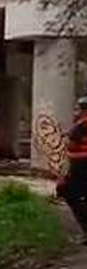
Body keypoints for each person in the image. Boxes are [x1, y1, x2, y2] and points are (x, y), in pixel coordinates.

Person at [58, 97, 87, 239]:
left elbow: (72, 147)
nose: (75, 112)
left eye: (77, 109)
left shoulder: (80, 127)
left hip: (80, 167)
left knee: (70, 195)